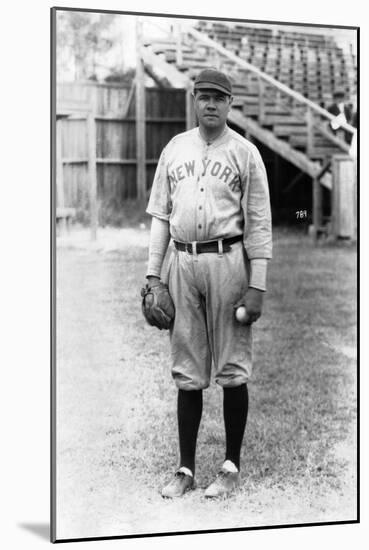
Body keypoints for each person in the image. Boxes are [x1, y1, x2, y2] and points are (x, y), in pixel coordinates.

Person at [143, 68, 272, 498]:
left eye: (220, 97)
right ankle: (185, 469)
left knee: (233, 369)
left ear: (230, 103)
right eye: (204, 97)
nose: (211, 104)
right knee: (187, 370)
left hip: (229, 260)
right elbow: (161, 216)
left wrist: (258, 286)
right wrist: (151, 274)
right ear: (194, 100)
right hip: (182, 262)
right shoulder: (175, 149)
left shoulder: (246, 153)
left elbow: (259, 223)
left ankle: (230, 466)